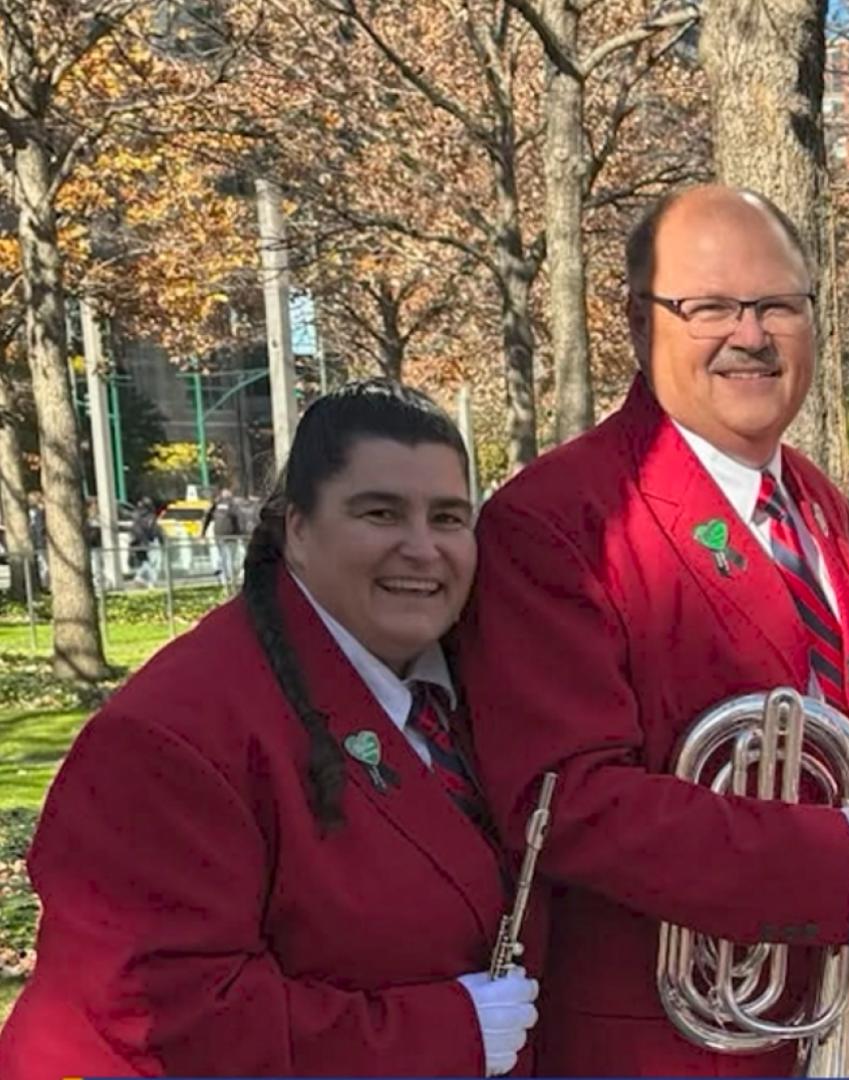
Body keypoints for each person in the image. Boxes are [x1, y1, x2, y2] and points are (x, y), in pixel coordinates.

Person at [456, 185, 849, 1076]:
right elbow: (564, 801)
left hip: (843, 1022)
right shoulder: (558, 520)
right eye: (708, 306)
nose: (750, 334)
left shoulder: (816, 502)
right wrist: (818, 871)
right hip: (674, 1048)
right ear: (637, 321)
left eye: (779, 304)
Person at [0, 381, 540, 1078]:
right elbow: (169, 1008)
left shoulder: (478, 687)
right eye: (379, 513)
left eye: (448, 518)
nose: (421, 547)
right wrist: (446, 1033)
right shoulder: (172, 732)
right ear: (297, 529)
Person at [207, 487, 244, 587]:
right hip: (230, 535)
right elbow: (239, 518)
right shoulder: (232, 505)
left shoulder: (216, 504)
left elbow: (207, 516)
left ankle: (224, 579)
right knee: (231, 558)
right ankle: (231, 579)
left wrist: (202, 532)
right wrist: (240, 533)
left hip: (218, 534)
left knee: (223, 557)